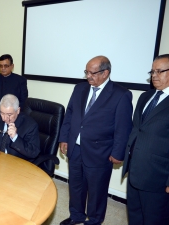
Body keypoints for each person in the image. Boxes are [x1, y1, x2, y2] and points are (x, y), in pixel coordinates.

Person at [58, 56, 133, 225]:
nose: (88, 76)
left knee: (97, 191)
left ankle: (94, 220)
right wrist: (64, 138)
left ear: (105, 73)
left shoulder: (121, 95)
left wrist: (118, 153)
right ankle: (76, 215)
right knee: (75, 185)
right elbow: (70, 114)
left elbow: (123, 128)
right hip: (76, 149)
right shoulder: (79, 88)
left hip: (100, 152)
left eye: (92, 73)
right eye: (86, 72)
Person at [122, 54, 169, 225]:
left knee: (155, 219)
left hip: (158, 176)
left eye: (160, 71)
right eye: (152, 71)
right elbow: (137, 130)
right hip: (135, 170)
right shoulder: (145, 97)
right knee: (134, 215)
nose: (154, 75)